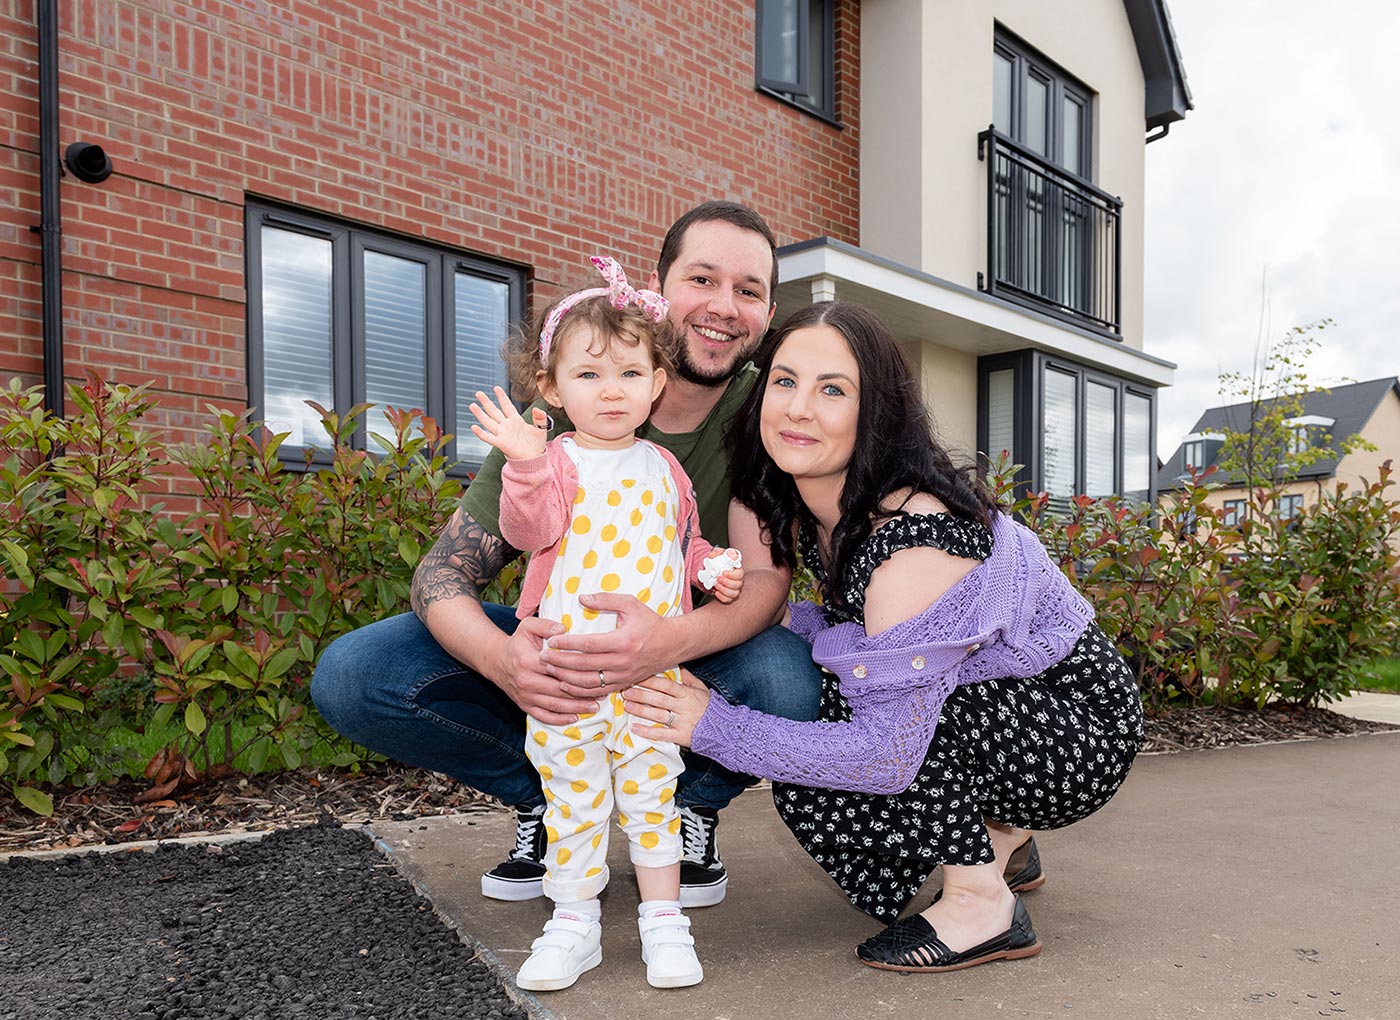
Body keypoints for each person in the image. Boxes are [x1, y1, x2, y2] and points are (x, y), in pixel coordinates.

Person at [311, 202, 822, 912]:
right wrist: (507, 664)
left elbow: (766, 580)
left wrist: (669, 638)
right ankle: (552, 805)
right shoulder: (559, 417)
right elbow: (442, 575)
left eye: (749, 290)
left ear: (769, 309)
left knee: (790, 679)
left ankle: (683, 809)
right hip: (563, 639)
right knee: (357, 674)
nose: (723, 308)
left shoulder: (765, 410)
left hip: (687, 649)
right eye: (702, 279)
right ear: (654, 288)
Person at [623, 300, 1144, 973]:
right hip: (1015, 704)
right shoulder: (800, 498)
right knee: (852, 693)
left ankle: (981, 904)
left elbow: (887, 756)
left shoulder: (910, 541)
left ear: (877, 413)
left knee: (877, 717)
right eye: (784, 381)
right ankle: (1004, 839)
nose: (798, 408)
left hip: (1076, 734)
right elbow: (842, 625)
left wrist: (713, 725)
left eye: (832, 389)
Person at [466, 255, 744, 990]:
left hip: (653, 675)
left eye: (629, 373)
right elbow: (529, 532)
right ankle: (574, 923)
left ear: (657, 383)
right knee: (575, 800)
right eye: (588, 376)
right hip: (566, 674)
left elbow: (684, 542)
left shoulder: (665, 467)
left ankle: (664, 924)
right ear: (552, 389)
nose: (611, 390)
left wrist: (714, 569)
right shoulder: (551, 462)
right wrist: (524, 464)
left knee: (655, 796)